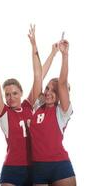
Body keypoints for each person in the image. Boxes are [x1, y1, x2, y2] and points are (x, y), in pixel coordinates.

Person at [0, 25, 42, 186]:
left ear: (21, 93)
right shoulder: (4, 113)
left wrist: (34, 46)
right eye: (7, 94)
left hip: (35, 166)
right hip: (12, 167)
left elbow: (38, 76)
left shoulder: (28, 106)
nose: (10, 97)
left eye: (14, 93)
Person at [30, 39, 76, 186]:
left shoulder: (62, 112)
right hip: (38, 167)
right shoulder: (38, 105)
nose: (48, 92)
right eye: (48, 88)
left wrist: (64, 55)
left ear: (60, 95)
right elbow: (38, 76)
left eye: (54, 91)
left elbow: (62, 83)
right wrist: (51, 53)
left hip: (60, 166)